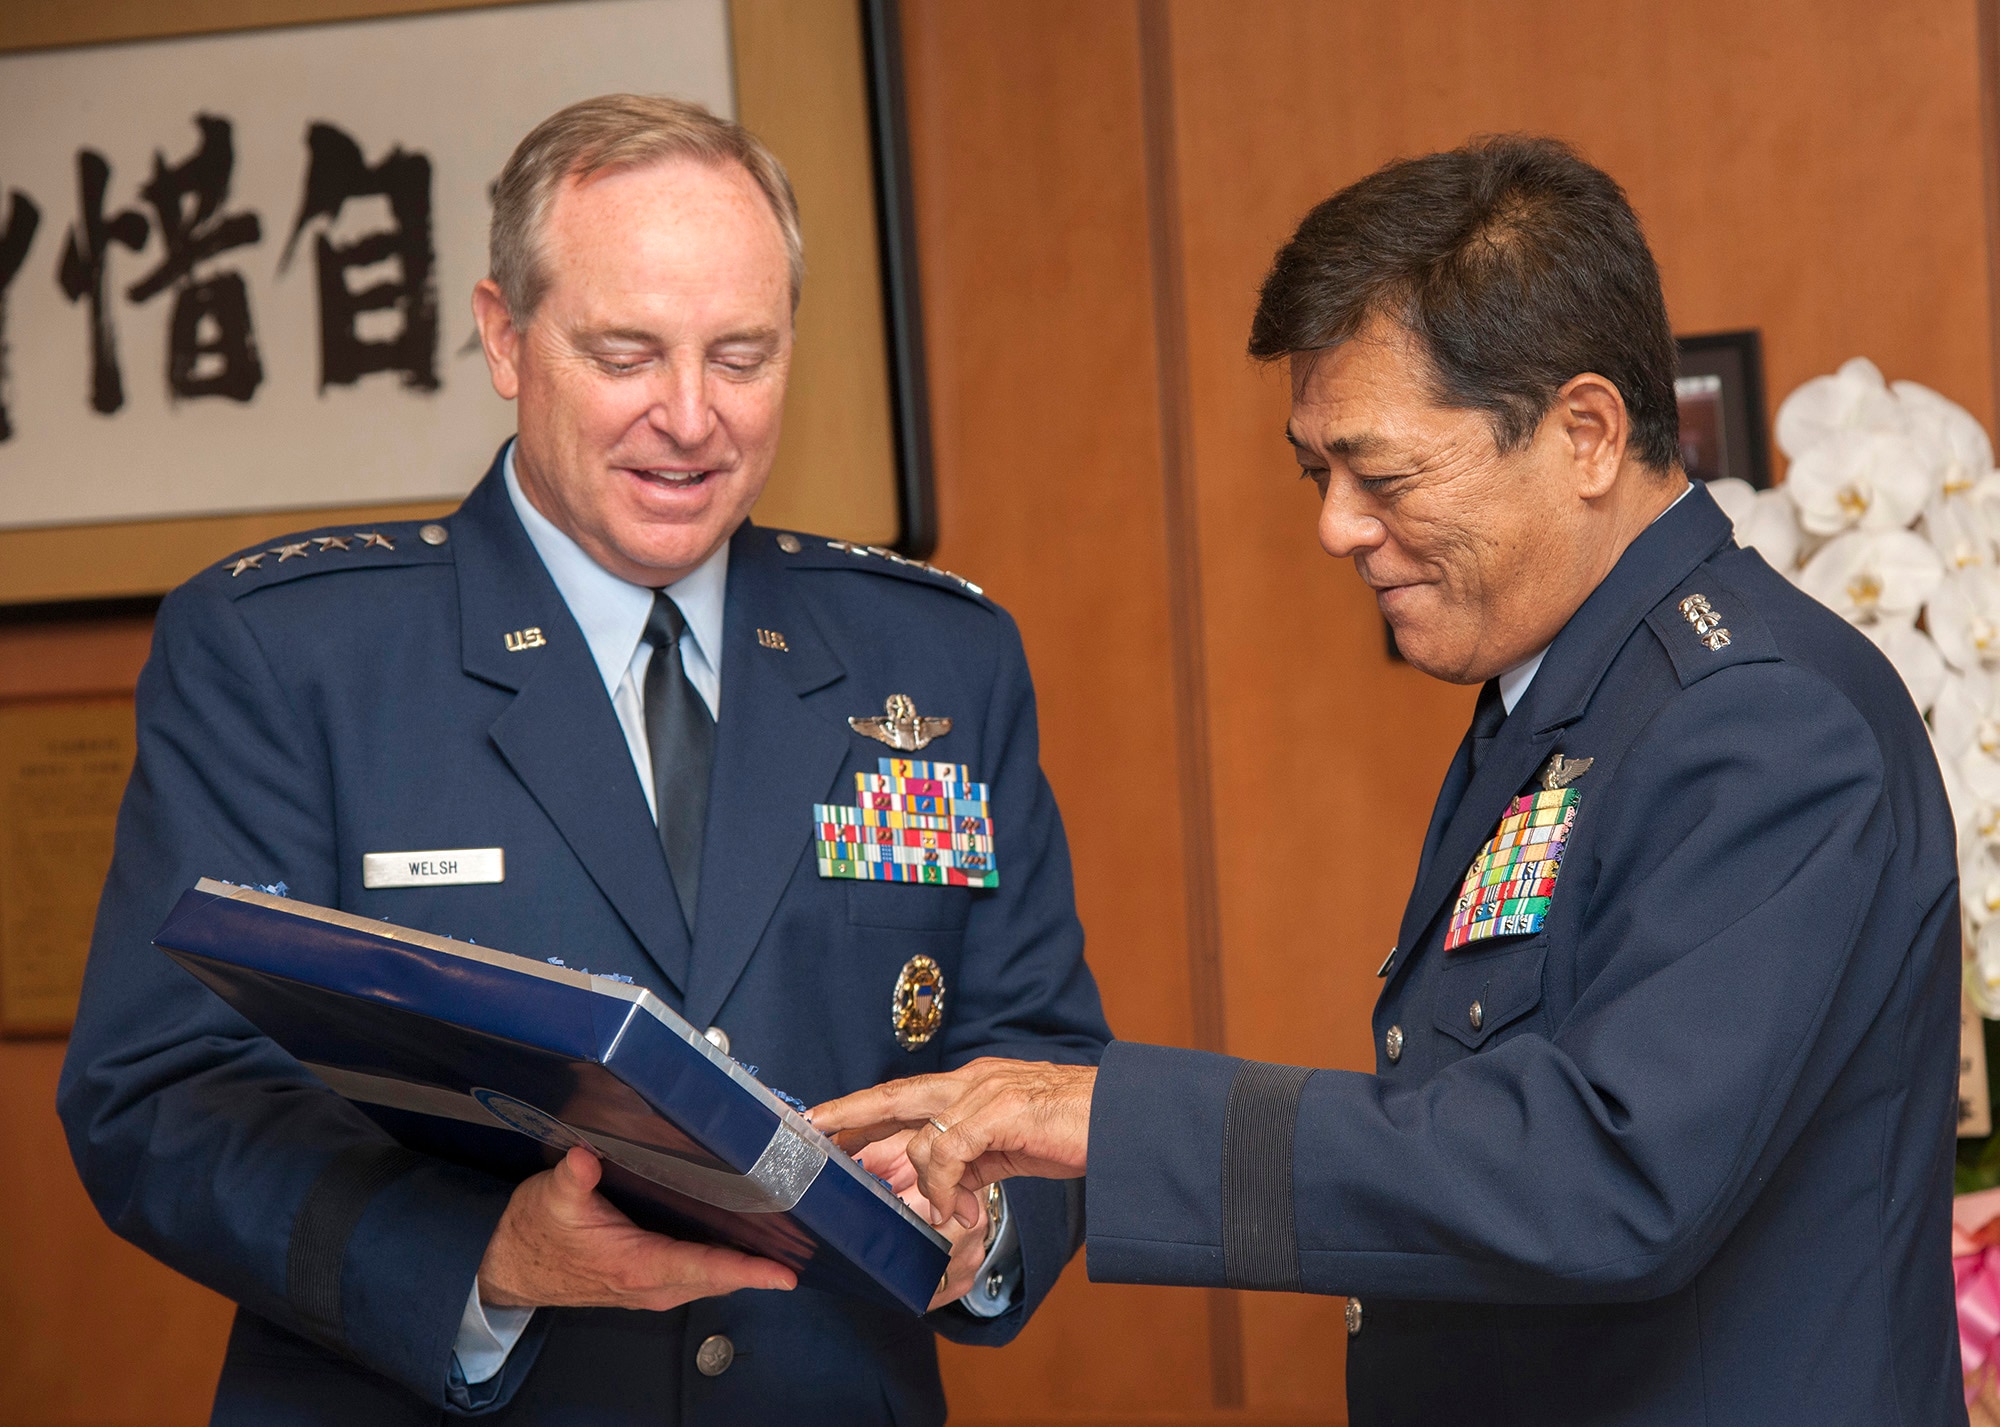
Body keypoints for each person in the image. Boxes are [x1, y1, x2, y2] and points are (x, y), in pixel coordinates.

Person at [813, 136, 1965, 1425]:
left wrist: (1115, 1121)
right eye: (1320, 474)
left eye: (1386, 475)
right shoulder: (1573, 697)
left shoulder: (1763, 721)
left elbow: (1605, 1172)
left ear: (1585, 433)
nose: (1337, 527)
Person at [59, 94, 1109, 1427]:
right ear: (504, 337)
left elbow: (1037, 1055)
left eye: (742, 356)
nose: (690, 418)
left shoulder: (936, 661)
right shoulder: (294, 653)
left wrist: (981, 1214)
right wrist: (486, 1259)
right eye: (625, 355)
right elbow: (159, 1095)